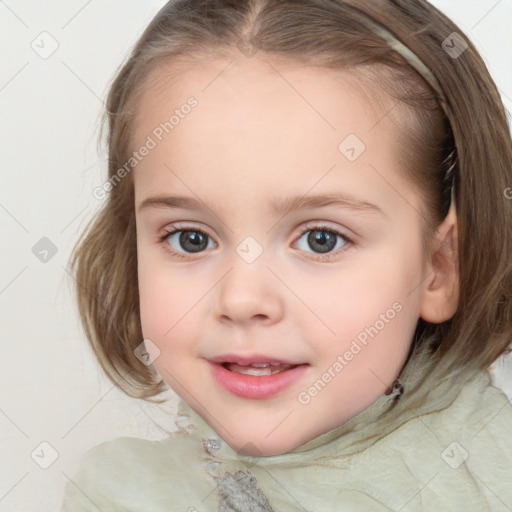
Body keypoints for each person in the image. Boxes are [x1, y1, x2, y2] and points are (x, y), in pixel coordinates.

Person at [62, 0, 512, 510]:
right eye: (191, 238)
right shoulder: (119, 498)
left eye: (322, 239)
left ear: (439, 267)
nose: (242, 298)